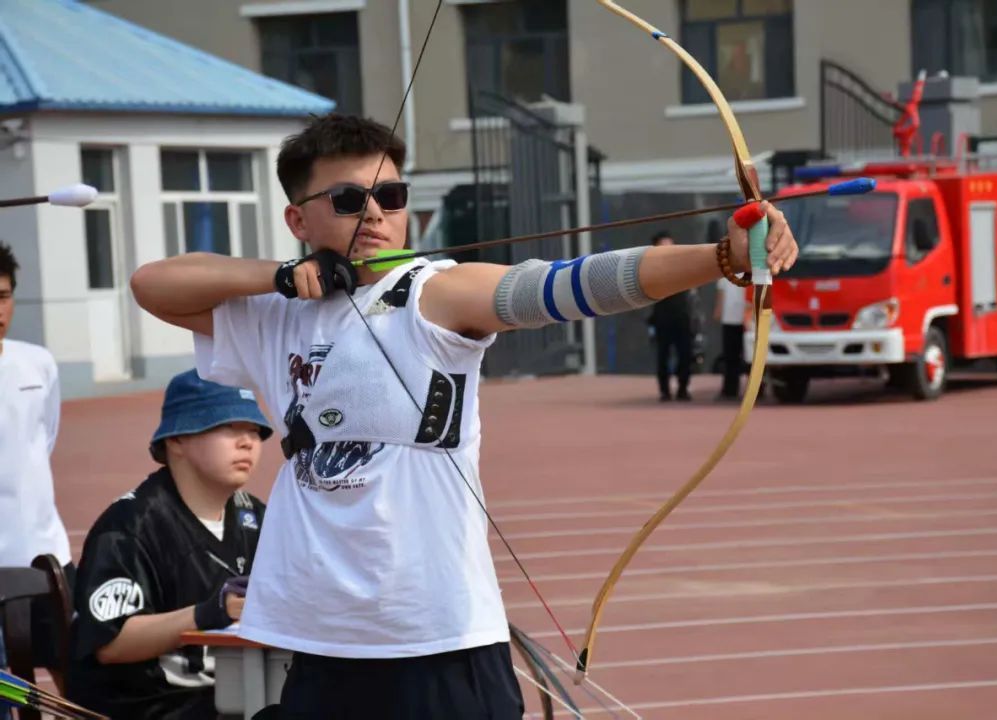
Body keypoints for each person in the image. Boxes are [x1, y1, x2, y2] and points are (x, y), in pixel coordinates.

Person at [127, 112, 798, 719]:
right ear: (298, 220)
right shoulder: (277, 315)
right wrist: (279, 277)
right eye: (348, 200)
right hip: (322, 639)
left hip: (438, 638)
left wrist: (720, 258)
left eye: (391, 196)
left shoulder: (436, 293)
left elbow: (564, 285)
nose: (375, 214)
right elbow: (152, 284)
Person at [67, 369, 272, 720]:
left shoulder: (254, 515)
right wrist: (208, 613)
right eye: (229, 426)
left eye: (254, 430)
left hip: (238, 697)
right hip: (152, 706)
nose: (247, 442)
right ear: (176, 439)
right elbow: (110, 643)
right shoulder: (129, 526)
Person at [0, 241, 73, 680]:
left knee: (72, 678)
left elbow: (44, 438)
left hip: (44, 558)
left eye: (4, 296)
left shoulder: (38, 364)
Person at [646, 231, 697, 402]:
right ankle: (664, 390)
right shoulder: (650, 268)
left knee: (685, 354)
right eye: (664, 246)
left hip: (682, 317)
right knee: (663, 355)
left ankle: (683, 388)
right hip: (662, 318)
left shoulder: (682, 265)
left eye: (671, 246)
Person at [714, 275, 747, 401]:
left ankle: (734, 389)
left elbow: (721, 292)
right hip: (732, 318)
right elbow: (721, 291)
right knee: (731, 357)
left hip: (744, 318)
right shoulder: (726, 271)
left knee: (735, 357)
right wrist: (718, 310)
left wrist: (718, 311)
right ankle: (731, 389)